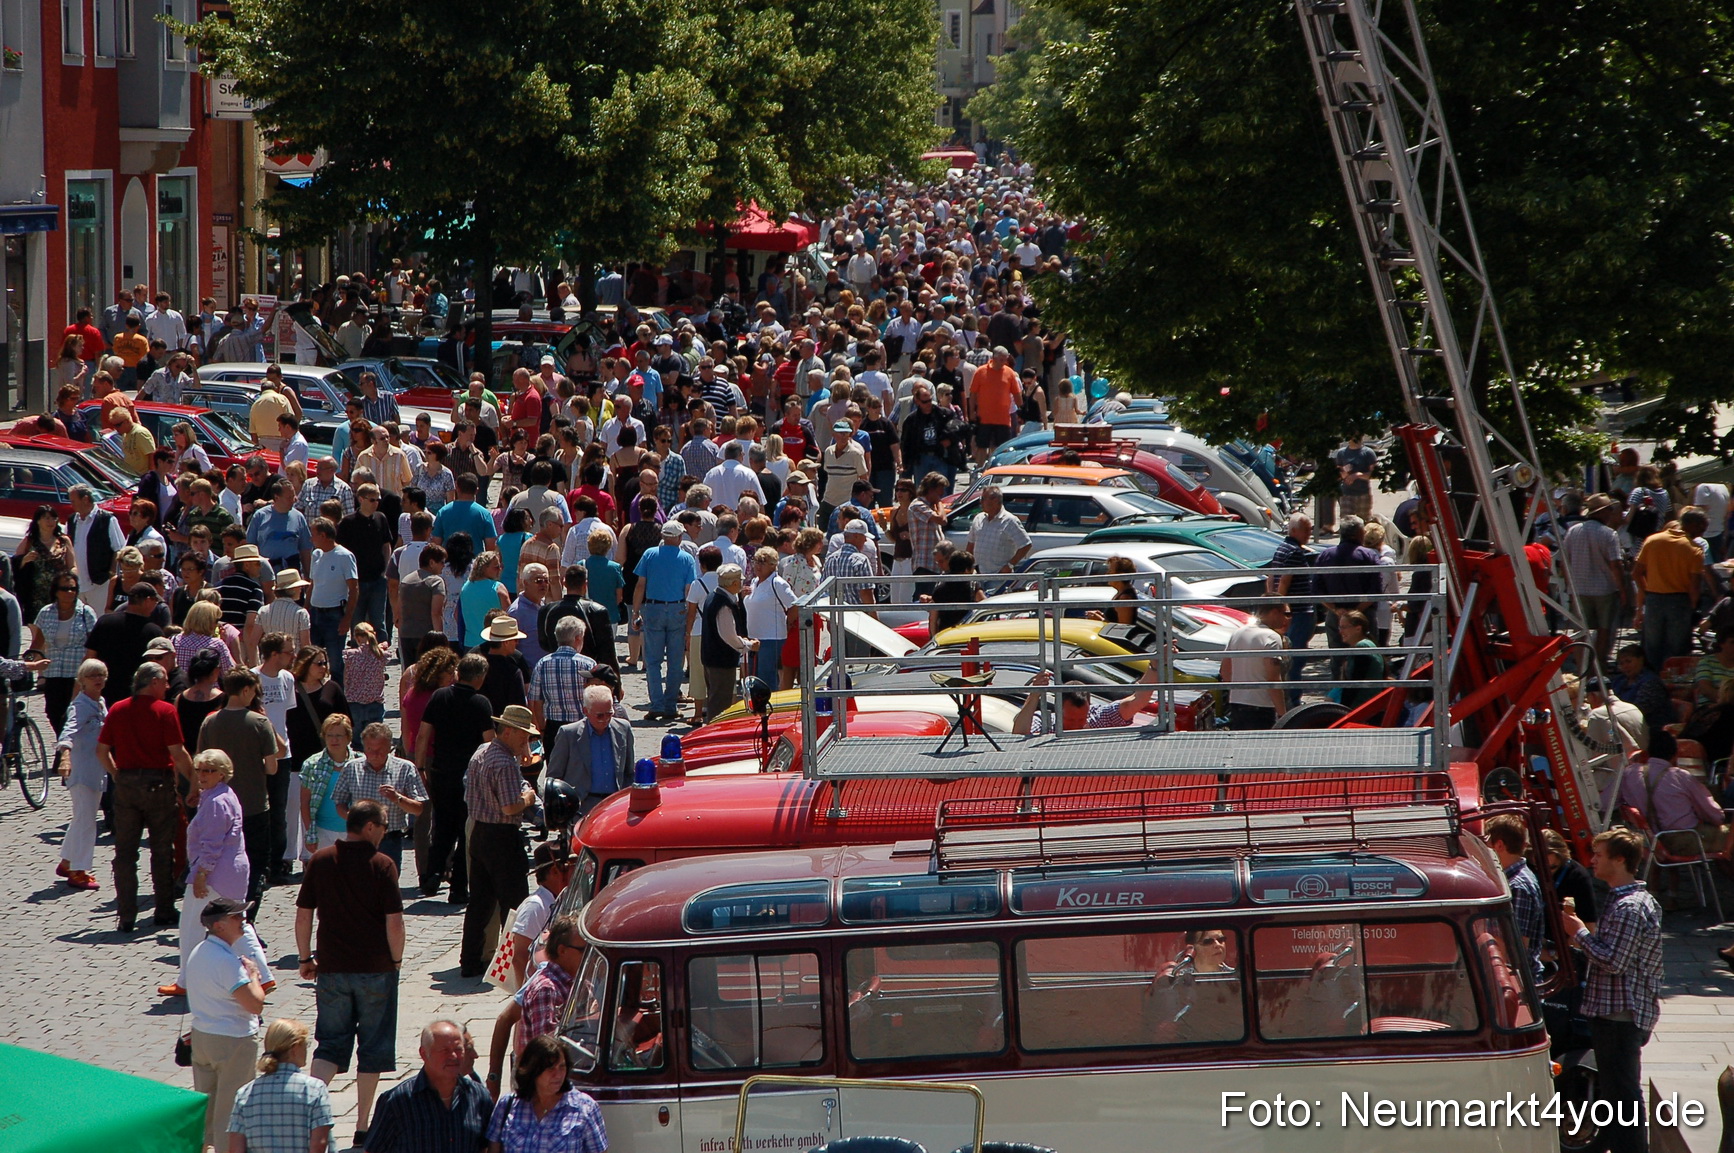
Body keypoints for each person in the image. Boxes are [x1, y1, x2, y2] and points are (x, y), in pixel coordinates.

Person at [296, 799, 406, 1148]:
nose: (385, 834)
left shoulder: (321, 860)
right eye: (384, 827)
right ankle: (361, 1127)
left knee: (329, 1045)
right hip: (375, 970)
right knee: (371, 1049)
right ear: (370, 826)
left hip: (332, 968)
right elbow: (395, 922)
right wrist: (397, 961)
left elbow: (303, 915)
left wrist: (304, 958)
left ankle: (306, 1114)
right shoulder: (383, 864)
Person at [1559, 828, 1664, 1153]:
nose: (1591, 861)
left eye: (1599, 854)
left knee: (1623, 1095)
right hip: (1614, 1011)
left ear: (1620, 859)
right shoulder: (1624, 901)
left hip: (1620, 1014)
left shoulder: (1629, 907)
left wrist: (1578, 933)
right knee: (1618, 1093)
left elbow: (1613, 960)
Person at [165, 748, 273, 999]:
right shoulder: (221, 795)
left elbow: (212, 843)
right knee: (238, 924)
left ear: (223, 774)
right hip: (233, 872)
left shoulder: (215, 802)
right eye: (200, 770)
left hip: (215, 875)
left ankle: (186, 980)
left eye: (209, 771)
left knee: (191, 924)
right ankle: (265, 978)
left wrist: (201, 873)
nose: (202, 775)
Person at [97, 661, 193, 931]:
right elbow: (178, 752)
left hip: (127, 785)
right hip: (158, 785)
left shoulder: (117, 709)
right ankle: (163, 910)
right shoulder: (165, 711)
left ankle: (126, 914)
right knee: (162, 850)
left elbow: (102, 751)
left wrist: (117, 776)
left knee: (125, 853)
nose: (167, 687)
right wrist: (194, 781)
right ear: (153, 683)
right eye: (164, 682)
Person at [459, 705, 540, 978]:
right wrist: (528, 796)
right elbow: (510, 807)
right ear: (508, 732)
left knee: (479, 902)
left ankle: (469, 961)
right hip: (502, 838)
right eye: (523, 736)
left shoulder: (482, 752)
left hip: (479, 833)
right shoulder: (504, 762)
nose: (526, 742)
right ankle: (510, 967)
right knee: (515, 906)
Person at [186, 895, 269, 1153]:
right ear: (219, 925)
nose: (243, 921)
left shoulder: (199, 952)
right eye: (237, 917)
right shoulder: (227, 962)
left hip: (202, 1037)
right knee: (230, 1113)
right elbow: (255, 1004)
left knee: (206, 1110)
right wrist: (254, 976)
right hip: (233, 1042)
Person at [199, 667, 285, 909]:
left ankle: (220, 914)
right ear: (246, 690)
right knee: (256, 865)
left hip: (218, 805)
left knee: (219, 861)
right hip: (254, 804)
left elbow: (201, 760)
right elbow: (272, 768)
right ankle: (247, 918)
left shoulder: (210, 721)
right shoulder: (260, 722)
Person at [416, 653, 495, 903]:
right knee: (465, 832)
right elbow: (489, 743)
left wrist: (420, 767)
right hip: (469, 778)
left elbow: (423, 734)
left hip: (440, 771)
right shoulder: (481, 703)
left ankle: (432, 874)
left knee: (442, 826)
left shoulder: (440, 696)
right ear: (480, 678)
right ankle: (458, 887)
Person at [364, 1020, 492, 1153]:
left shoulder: (479, 1096)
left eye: (458, 1049)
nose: (453, 1056)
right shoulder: (398, 1101)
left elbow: (487, 1147)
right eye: (445, 1051)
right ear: (424, 1054)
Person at [484, 1033, 607, 1153]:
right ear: (533, 1071)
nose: (558, 1075)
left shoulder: (585, 1108)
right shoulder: (507, 1106)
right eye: (550, 1068)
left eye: (562, 1067)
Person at [332, 722, 428, 874]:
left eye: (380, 750)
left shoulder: (405, 768)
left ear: (390, 748)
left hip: (390, 839)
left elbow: (418, 808)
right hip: (359, 837)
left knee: (387, 882)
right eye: (370, 750)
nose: (375, 755)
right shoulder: (352, 768)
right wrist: (351, 816)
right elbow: (339, 801)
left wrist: (397, 798)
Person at [227, 1018, 334, 1153]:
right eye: (305, 1045)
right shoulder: (314, 1089)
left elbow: (235, 1149)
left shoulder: (245, 1093)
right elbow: (319, 1145)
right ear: (294, 1049)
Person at [631, 520, 700, 721]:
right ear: (679, 538)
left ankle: (657, 704)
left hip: (653, 608)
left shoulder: (650, 554)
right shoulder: (686, 558)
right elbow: (689, 589)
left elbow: (640, 585)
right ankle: (670, 705)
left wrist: (635, 612)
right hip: (678, 608)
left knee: (652, 660)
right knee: (675, 660)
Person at [52, 659, 108, 890]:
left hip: (97, 769)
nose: (98, 679)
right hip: (82, 769)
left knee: (82, 817)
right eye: (92, 675)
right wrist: (65, 756)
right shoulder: (80, 705)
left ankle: (67, 861)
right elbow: (68, 730)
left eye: (101, 675)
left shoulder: (101, 702)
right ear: (82, 681)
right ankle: (79, 870)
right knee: (86, 821)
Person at [1632, 506, 1707, 671]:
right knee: (1677, 648)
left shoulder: (1652, 540)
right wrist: (1694, 606)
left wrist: (1647, 591)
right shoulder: (1694, 549)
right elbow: (1694, 585)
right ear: (1693, 525)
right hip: (1680, 601)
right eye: (1702, 528)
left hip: (1654, 599)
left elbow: (1637, 573)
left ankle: (1651, 680)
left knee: (1652, 646)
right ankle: (1672, 682)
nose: (1702, 533)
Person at [33, 573, 97, 737]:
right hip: (53, 673)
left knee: (73, 714)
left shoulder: (86, 613)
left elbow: (94, 644)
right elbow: (38, 643)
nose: (69, 592)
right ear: (55, 591)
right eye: (65, 589)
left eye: (73, 589)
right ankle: (65, 745)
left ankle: (65, 752)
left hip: (76, 674)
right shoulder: (46, 613)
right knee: (53, 713)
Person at [1482, 813, 1545, 977]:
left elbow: (1514, 948)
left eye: (1486, 842)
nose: (1482, 849)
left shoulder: (1517, 887)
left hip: (1515, 981)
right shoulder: (1511, 881)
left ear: (1499, 845)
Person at [1224, 603, 1291, 730]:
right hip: (1261, 707)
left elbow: (1225, 671)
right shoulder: (1271, 637)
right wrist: (1283, 714)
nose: (1288, 619)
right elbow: (1273, 679)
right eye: (1286, 614)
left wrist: (1240, 691)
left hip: (1237, 704)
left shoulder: (1238, 632)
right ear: (1274, 612)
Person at [308, 519, 359, 683]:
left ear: (323, 535)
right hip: (315, 613)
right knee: (312, 658)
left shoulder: (344, 556)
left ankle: (338, 697)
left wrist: (347, 619)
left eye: (313, 535)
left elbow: (354, 589)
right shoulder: (316, 555)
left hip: (334, 614)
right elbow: (312, 584)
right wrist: (305, 609)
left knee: (335, 662)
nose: (311, 538)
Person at [300, 713, 355, 856]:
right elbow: (305, 802)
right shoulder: (311, 764)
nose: (334, 740)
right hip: (323, 832)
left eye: (339, 735)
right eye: (329, 735)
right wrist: (310, 834)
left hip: (353, 832)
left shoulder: (360, 763)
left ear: (348, 737)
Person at [966, 485, 1032, 577]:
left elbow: (1026, 544)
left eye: (983, 499)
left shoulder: (1010, 521)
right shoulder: (979, 518)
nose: (980, 502)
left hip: (998, 576)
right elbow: (970, 544)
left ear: (995, 501)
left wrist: (1010, 565)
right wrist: (968, 566)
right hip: (977, 574)